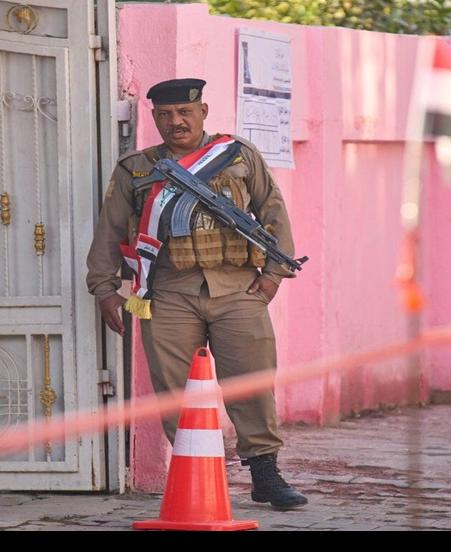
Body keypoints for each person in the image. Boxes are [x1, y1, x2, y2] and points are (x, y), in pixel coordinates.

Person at [85, 77, 307, 509]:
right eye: (166, 115)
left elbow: (272, 211)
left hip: (237, 286)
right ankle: (199, 475)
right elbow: (109, 230)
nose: (176, 122)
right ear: (154, 118)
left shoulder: (237, 156)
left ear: (203, 112)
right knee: (175, 390)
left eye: (185, 112)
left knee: (252, 381)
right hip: (166, 291)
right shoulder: (136, 169)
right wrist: (104, 288)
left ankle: (265, 474)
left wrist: (273, 275)